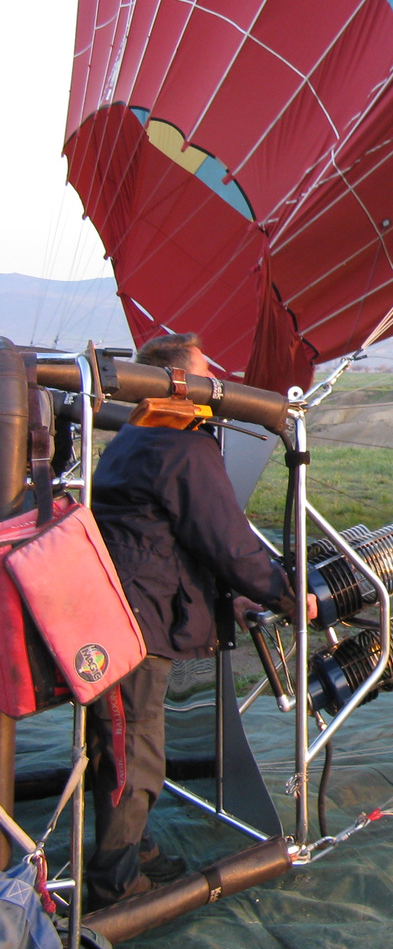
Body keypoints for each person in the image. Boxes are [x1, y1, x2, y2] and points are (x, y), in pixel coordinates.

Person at [84, 332, 313, 910]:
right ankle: (115, 886)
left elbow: (168, 539)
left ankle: (134, 850)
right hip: (134, 621)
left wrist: (230, 601)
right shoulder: (181, 447)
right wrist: (287, 594)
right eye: (207, 371)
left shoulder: (135, 434)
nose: (218, 382)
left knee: (123, 744)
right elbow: (227, 542)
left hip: (123, 607)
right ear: (178, 382)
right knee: (133, 749)